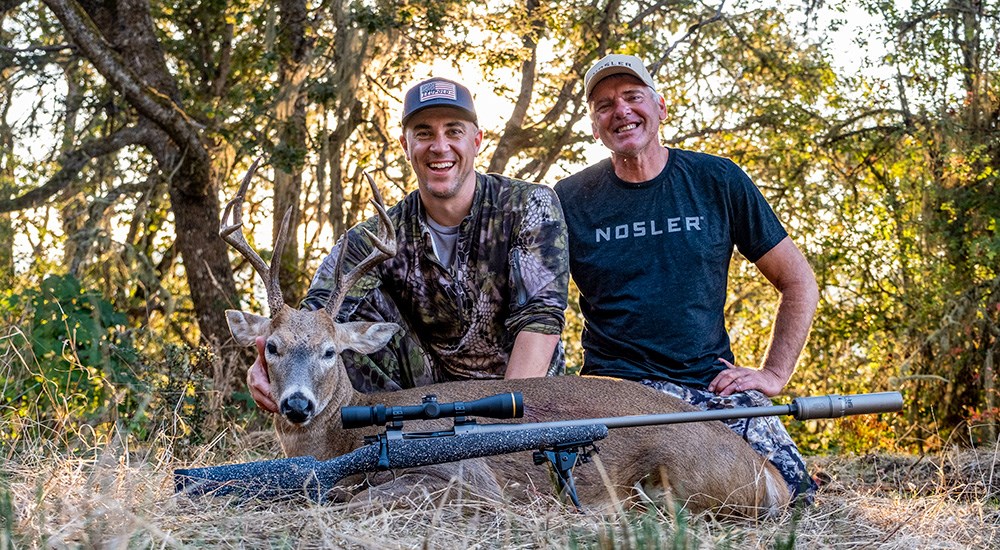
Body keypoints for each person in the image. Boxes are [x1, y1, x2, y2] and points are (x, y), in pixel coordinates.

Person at [554, 54, 820, 501]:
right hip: (614, 389)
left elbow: (799, 282)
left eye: (632, 97)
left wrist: (773, 374)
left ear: (661, 107)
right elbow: (538, 304)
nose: (620, 111)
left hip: (708, 385)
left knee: (791, 498)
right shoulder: (569, 198)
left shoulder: (717, 180)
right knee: (593, 501)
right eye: (604, 105)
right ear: (594, 126)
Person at [248, 77, 569, 410]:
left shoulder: (529, 205)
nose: (440, 146)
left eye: (454, 131)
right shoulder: (373, 239)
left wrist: (504, 423)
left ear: (477, 140)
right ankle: (358, 447)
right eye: (424, 133)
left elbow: (541, 317)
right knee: (339, 329)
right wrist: (267, 359)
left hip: (524, 398)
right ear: (406, 145)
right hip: (428, 400)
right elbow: (314, 320)